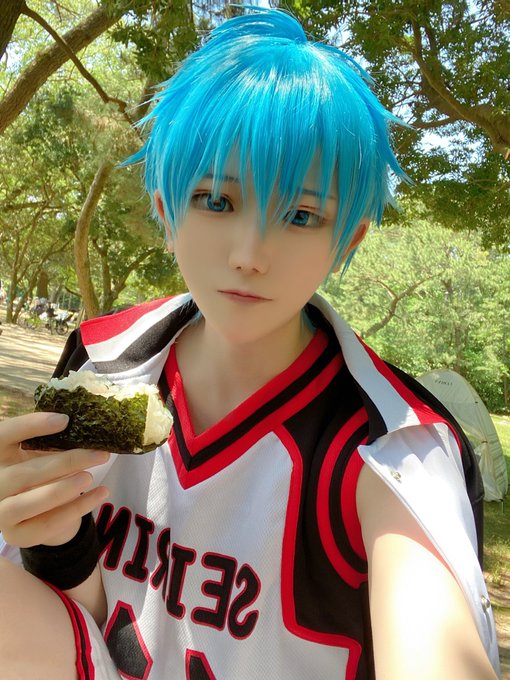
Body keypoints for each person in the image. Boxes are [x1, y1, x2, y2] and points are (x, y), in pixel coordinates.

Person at [0, 9, 501, 679]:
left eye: (301, 215)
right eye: (217, 200)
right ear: (165, 209)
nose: (249, 254)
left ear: (346, 239)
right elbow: (80, 631)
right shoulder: (102, 360)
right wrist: (58, 542)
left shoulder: (392, 448)